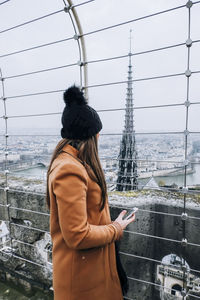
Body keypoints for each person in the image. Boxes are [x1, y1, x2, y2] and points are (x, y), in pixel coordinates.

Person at [46, 86, 136, 300]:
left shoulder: (73, 162)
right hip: (83, 281)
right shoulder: (70, 169)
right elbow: (77, 235)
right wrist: (116, 228)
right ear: (91, 135)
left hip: (90, 273)